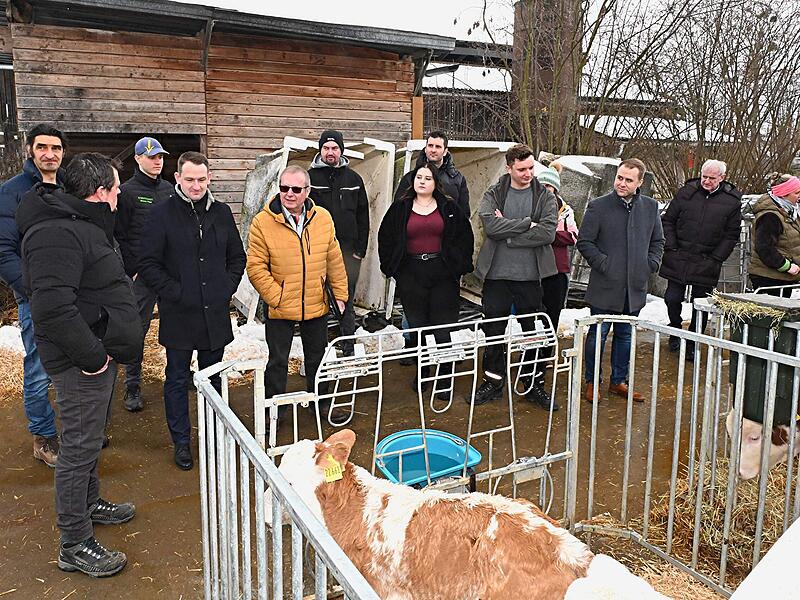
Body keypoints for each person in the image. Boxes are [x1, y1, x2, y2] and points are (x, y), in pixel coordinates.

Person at [17, 152, 141, 578]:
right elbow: (51, 308)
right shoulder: (55, 232)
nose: (120, 194)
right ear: (99, 192)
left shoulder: (79, 224)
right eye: (116, 187)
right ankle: (74, 541)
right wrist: (93, 358)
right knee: (77, 449)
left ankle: (89, 504)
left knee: (89, 440)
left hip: (96, 354)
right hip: (79, 362)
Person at [138, 152, 246, 470]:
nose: (196, 185)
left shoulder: (222, 213)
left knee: (213, 379)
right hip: (179, 314)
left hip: (213, 312)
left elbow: (237, 257)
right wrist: (176, 292)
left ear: (209, 178)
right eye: (189, 179)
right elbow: (148, 263)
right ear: (178, 179)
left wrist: (225, 287)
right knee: (176, 378)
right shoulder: (161, 214)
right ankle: (182, 441)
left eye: (201, 179)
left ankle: (214, 434)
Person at [246, 165, 348, 412]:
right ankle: (275, 410)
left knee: (317, 358)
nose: (288, 193)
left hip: (315, 301)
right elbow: (255, 266)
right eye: (283, 188)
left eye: (295, 189)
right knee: (278, 361)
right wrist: (276, 296)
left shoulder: (322, 218)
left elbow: (333, 258)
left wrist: (340, 294)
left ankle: (320, 404)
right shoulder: (263, 222)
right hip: (280, 305)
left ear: (307, 190)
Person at [0, 123, 66, 468]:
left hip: (72, 297)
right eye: (42, 147)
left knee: (72, 365)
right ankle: (43, 437)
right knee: (39, 368)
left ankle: (74, 430)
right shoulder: (12, 192)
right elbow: (3, 250)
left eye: (56, 148)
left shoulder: (70, 188)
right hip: (36, 299)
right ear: (30, 150)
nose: (49, 154)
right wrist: (30, 290)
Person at [472, 144, 558, 407]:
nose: (528, 173)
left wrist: (508, 236)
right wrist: (524, 224)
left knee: (534, 332)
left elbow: (547, 233)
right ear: (509, 168)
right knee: (494, 332)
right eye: (521, 169)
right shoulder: (495, 192)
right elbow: (490, 225)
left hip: (531, 277)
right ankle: (493, 383)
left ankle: (533, 385)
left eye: (531, 167)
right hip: (496, 276)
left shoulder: (545, 197)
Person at [378, 162, 474, 390]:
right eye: (418, 177)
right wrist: (391, 267)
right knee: (418, 326)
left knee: (443, 327)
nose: (422, 181)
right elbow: (386, 237)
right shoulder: (400, 208)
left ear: (435, 183)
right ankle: (423, 371)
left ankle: (444, 376)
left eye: (427, 178)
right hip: (411, 274)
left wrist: (459, 265)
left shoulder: (449, 207)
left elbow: (464, 236)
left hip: (442, 273)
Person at [577, 158, 664, 403]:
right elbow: (585, 242)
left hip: (634, 286)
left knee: (625, 335)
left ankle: (619, 381)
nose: (622, 183)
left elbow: (658, 241)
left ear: (639, 182)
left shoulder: (649, 207)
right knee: (598, 334)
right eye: (619, 178)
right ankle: (592, 381)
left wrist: (650, 265)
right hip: (606, 284)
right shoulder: (598, 206)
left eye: (628, 180)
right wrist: (604, 264)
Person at [114, 136, 173, 412]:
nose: (157, 161)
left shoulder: (169, 190)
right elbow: (120, 235)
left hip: (169, 272)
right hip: (142, 276)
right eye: (151, 157)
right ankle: (132, 385)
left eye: (160, 156)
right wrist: (132, 270)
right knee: (138, 330)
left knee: (175, 326)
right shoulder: (127, 192)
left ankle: (176, 374)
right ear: (137, 159)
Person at [660, 159, 741, 353]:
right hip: (678, 255)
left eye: (712, 178)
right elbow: (668, 221)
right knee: (672, 298)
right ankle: (675, 329)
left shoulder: (731, 201)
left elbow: (731, 234)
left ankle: (693, 340)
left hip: (707, 260)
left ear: (722, 178)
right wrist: (671, 247)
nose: (706, 181)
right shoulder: (686, 193)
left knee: (701, 304)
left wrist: (716, 258)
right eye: (704, 176)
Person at [309, 130, 369, 354]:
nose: (330, 152)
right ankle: (319, 347)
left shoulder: (353, 179)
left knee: (346, 297)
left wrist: (360, 250)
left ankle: (348, 344)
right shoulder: (310, 179)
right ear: (320, 150)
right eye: (326, 148)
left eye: (334, 148)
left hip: (348, 251)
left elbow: (363, 216)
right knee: (318, 298)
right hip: (317, 251)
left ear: (341, 150)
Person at [534, 162, 578, 401]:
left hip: (557, 271)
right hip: (533, 271)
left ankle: (542, 370)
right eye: (542, 185)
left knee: (551, 322)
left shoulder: (566, 210)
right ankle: (528, 369)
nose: (546, 189)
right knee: (532, 323)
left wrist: (546, 234)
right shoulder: (529, 205)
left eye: (550, 186)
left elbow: (572, 235)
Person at [394, 131, 470, 217]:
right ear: (425, 149)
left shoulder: (457, 179)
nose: (433, 150)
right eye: (430, 146)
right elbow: (397, 211)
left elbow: (464, 214)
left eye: (438, 147)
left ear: (445, 151)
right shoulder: (410, 178)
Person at [747, 173, 800, 297]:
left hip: (784, 277)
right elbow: (765, 248)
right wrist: (786, 266)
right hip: (769, 277)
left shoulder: (789, 212)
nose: (799, 196)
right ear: (784, 194)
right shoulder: (770, 216)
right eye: (797, 193)